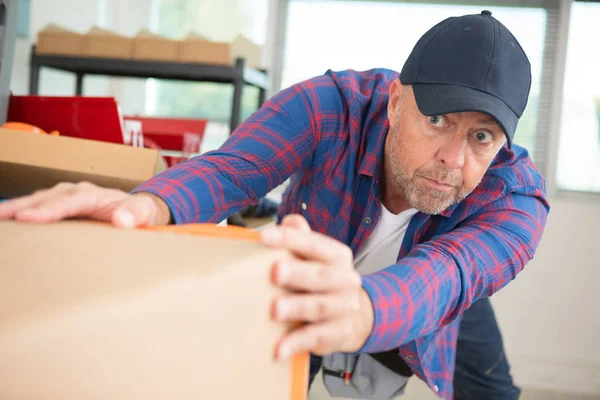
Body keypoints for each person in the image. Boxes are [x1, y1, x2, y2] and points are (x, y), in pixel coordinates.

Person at [0, 10, 549, 400]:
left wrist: (363, 310)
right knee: (275, 370)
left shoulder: (517, 199)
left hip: (428, 297)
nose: (454, 158)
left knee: (492, 390)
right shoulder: (332, 104)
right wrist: (146, 206)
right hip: (309, 275)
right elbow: (235, 169)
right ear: (397, 100)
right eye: (438, 120)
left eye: (482, 137)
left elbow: (450, 274)